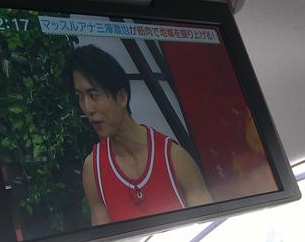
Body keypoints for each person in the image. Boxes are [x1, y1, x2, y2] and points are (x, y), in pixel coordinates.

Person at [65, 45, 212, 225]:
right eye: (80, 97)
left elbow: (209, 226)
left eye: (93, 95)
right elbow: (108, 238)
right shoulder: (93, 170)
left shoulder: (174, 158)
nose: (87, 108)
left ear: (121, 97)